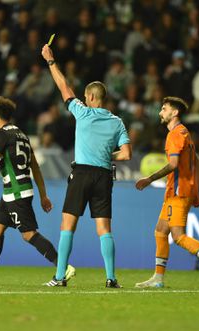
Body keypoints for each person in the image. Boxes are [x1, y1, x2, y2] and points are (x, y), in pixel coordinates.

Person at [41, 43, 132, 288]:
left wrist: (51, 61)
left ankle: (60, 277)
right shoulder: (117, 122)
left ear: (90, 97)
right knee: (104, 228)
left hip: (81, 174)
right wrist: (106, 155)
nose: (83, 99)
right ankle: (111, 278)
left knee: (67, 225)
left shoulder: (82, 112)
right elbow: (126, 154)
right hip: (104, 176)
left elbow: (63, 85)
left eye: (85, 96)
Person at [0, 96, 75, 285]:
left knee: (29, 234)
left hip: (17, 192)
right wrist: (43, 195)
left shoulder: (1, 134)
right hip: (14, 192)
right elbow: (35, 167)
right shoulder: (22, 134)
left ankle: (64, 267)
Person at [134, 96, 199, 290]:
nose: (161, 112)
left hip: (178, 192)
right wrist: (196, 192)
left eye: (164, 109)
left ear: (174, 112)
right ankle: (158, 278)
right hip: (178, 192)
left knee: (178, 236)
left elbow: (174, 164)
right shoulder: (185, 133)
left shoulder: (175, 134)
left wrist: (149, 179)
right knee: (161, 231)